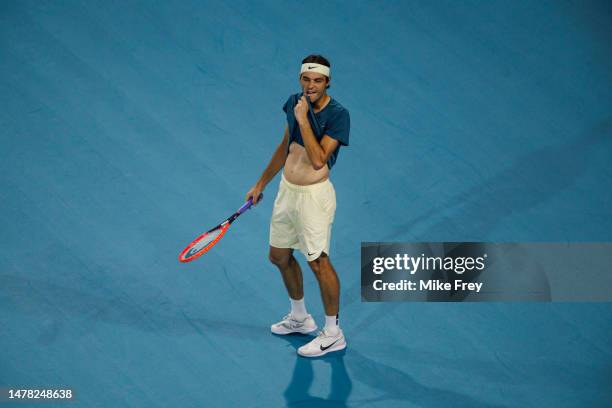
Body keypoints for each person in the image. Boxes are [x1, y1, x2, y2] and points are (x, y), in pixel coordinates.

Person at [245, 54, 350, 357]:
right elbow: (286, 145)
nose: (311, 85)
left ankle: (333, 333)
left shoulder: (338, 115)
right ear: (300, 79)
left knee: (318, 262)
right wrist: (261, 183)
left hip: (313, 199)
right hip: (286, 192)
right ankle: (300, 318)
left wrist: (304, 118)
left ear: (327, 82)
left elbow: (318, 159)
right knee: (278, 256)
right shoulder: (294, 101)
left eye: (318, 81)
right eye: (306, 79)